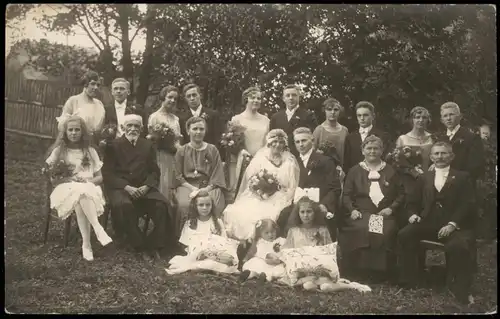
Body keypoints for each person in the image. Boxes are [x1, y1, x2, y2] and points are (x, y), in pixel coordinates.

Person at [397, 141, 476, 304]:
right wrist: (412, 214)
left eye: (443, 153)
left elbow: (467, 204)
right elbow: (412, 201)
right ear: (431, 157)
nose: (440, 157)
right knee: (405, 234)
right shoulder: (424, 177)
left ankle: (460, 288)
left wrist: (452, 224)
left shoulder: (462, 177)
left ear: (451, 156)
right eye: (436, 154)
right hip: (428, 222)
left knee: (458, 246)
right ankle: (411, 279)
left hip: (452, 225)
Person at [102, 114, 173, 262]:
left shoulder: (147, 145)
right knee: (124, 205)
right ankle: (139, 245)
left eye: (136, 126)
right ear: (123, 128)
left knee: (162, 205)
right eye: (129, 126)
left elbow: (154, 171)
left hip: (143, 187)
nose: (133, 129)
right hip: (121, 188)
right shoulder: (113, 146)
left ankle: (154, 244)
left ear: (141, 129)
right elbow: (107, 174)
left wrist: (147, 186)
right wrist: (126, 187)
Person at [45, 115, 112, 261]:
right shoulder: (59, 151)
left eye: (77, 130)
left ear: (82, 132)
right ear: (65, 132)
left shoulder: (90, 151)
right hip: (65, 188)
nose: (74, 133)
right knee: (80, 193)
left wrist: (88, 181)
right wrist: (70, 178)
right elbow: (53, 178)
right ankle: (97, 229)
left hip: (89, 187)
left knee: (82, 193)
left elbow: (100, 177)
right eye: (70, 130)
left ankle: (87, 244)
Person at [338, 135, 404, 281]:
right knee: (363, 228)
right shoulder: (355, 171)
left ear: (382, 151)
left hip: (383, 212)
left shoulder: (390, 170)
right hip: (361, 212)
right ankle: (359, 270)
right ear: (363, 151)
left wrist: (391, 208)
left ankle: (378, 272)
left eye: (376, 148)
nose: (372, 151)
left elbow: (400, 194)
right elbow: (347, 195)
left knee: (380, 228)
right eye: (369, 148)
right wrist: (352, 210)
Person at [223, 129, 300, 242]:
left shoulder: (289, 162)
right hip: (258, 195)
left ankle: (265, 243)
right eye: (274, 141)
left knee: (270, 215)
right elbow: (250, 179)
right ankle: (247, 244)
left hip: (280, 196)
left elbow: (292, 186)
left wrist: (285, 196)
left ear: (285, 144)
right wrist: (259, 189)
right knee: (239, 213)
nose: (277, 145)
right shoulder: (260, 159)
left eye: (281, 142)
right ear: (269, 143)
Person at [276, 127, 341, 241]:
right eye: (297, 142)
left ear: (312, 141)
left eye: (304, 140)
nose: (301, 144)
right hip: (299, 206)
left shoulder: (326, 161)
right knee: (283, 217)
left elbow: (334, 188)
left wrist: (325, 204)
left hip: (319, 204)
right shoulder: (293, 162)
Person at [174, 117, 226, 239]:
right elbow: (177, 175)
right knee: (184, 205)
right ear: (188, 131)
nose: (198, 132)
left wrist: (207, 189)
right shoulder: (182, 150)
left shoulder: (212, 149)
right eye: (195, 129)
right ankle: (186, 239)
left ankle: (213, 237)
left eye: (201, 129)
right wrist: (192, 188)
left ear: (205, 131)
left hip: (209, 184)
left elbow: (217, 173)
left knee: (215, 203)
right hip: (187, 185)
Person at [165, 191, 239, 275]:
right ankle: (210, 268)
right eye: (201, 205)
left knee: (222, 259)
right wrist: (199, 252)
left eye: (208, 205)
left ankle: (202, 268)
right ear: (195, 206)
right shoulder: (190, 223)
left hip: (214, 252)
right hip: (197, 253)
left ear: (212, 206)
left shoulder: (217, 222)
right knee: (200, 260)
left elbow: (223, 241)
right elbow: (186, 244)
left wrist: (212, 252)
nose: (204, 208)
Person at [227, 86, 270, 201]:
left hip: (261, 161)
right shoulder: (237, 119)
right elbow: (233, 143)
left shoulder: (266, 120)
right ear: (246, 99)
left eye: (259, 98)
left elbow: (268, 142)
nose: (256, 100)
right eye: (253, 98)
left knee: (259, 192)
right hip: (243, 160)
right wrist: (242, 152)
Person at [148, 85, 182, 203]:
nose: (172, 101)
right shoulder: (154, 117)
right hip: (161, 157)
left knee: (175, 188)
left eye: (175, 99)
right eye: (170, 97)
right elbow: (151, 140)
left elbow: (178, 139)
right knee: (164, 185)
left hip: (175, 157)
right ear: (163, 97)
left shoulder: (175, 119)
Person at [438, 102, 484, 183]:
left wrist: (454, 177)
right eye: (445, 116)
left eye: (451, 114)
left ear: (460, 117)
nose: (448, 118)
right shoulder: (440, 139)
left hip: (463, 185)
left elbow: (476, 166)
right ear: (442, 120)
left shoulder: (472, 138)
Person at [56, 71, 105, 145]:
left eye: (98, 85)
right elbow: (61, 126)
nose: (96, 87)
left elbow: (101, 128)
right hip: (75, 144)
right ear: (85, 84)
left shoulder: (99, 104)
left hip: (93, 143)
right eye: (92, 84)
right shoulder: (73, 100)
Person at [269, 84, 318, 157]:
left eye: (294, 95)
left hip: (301, 157)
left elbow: (313, 138)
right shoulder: (275, 117)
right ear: (283, 98)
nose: (291, 98)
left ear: (299, 97)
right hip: (280, 156)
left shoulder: (308, 116)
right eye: (287, 95)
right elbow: (271, 139)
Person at [343, 101, 391, 173]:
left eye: (365, 115)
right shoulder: (350, 138)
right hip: (356, 178)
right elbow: (346, 163)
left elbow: (386, 160)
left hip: (377, 176)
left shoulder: (383, 136)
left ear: (373, 116)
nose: (362, 118)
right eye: (359, 115)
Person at [313, 97, 349, 167]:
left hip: (340, 169)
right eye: (329, 109)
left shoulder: (344, 130)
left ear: (340, 111)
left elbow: (347, 153)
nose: (332, 112)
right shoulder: (319, 130)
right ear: (325, 111)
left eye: (336, 110)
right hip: (323, 168)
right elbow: (312, 151)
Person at [395, 106, 434, 171]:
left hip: (429, 174)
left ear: (428, 120)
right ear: (412, 120)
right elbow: (397, 161)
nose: (421, 120)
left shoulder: (433, 138)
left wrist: (435, 164)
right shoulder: (402, 139)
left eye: (424, 118)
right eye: (417, 117)